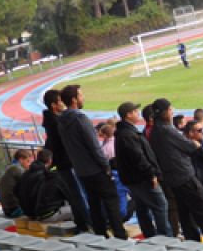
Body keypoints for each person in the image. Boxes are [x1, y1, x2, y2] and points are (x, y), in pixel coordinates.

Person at [57, 84, 127, 239]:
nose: (83, 98)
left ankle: (101, 235)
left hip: (81, 170)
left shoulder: (61, 121)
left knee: (94, 204)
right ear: (74, 99)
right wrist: (106, 166)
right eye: (81, 95)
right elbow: (94, 147)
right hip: (95, 169)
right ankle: (120, 236)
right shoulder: (81, 119)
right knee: (111, 202)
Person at [150, 98, 203, 242]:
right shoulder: (166, 130)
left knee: (185, 212)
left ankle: (193, 241)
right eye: (170, 109)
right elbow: (189, 147)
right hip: (183, 176)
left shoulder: (155, 130)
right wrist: (196, 145)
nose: (172, 112)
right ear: (164, 112)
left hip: (173, 178)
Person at [115, 102, 171, 239]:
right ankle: (164, 238)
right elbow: (138, 157)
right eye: (135, 110)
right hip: (142, 178)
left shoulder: (125, 132)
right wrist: (151, 174)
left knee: (142, 208)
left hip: (135, 178)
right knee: (160, 205)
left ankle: (151, 236)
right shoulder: (127, 134)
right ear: (128, 115)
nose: (138, 112)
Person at [41, 89, 89, 233]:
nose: (63, 104)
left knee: (75, 195)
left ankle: (82, 224)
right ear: (54, 105)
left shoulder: (53, 121)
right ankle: (88, 225)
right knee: (78, 195)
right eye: (61, 101)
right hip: (67, 163)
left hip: (64, 163)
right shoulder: (57, 123)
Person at [15, 149, 74, 222]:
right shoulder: (45, 176)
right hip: (36, 213)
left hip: (27, 212)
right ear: (50, 161)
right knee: (74, 207)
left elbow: (16, 191)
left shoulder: (25, 174)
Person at [0, 149, 33, 218]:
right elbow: (30, 182)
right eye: (28, 161)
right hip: (14, 210)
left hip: (7, 209)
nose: (29, 164)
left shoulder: (11, 167)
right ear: (21, 160)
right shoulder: (16, 169)